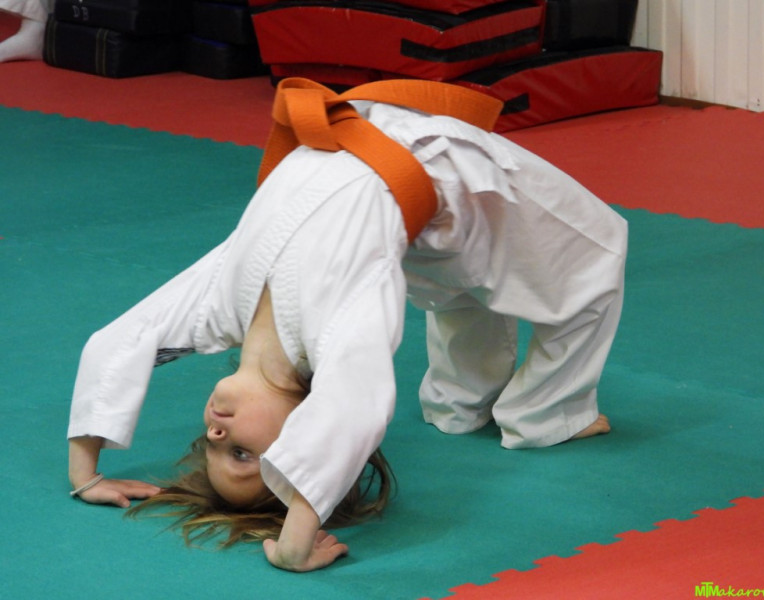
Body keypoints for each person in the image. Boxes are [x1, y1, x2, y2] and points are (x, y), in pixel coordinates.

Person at [67, 78, 627, 572]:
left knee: (467, 277)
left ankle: (458, 406)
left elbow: (119, 341)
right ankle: (546, 416)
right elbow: (352, 411)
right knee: (597, 253)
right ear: (302, 430)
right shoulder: (334, 331)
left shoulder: (221, 304)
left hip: (373, 143)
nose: (215, 435)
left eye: (212, 447)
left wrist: (86, 475)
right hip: (432, 164)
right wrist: (294, 545)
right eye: (241, 454)